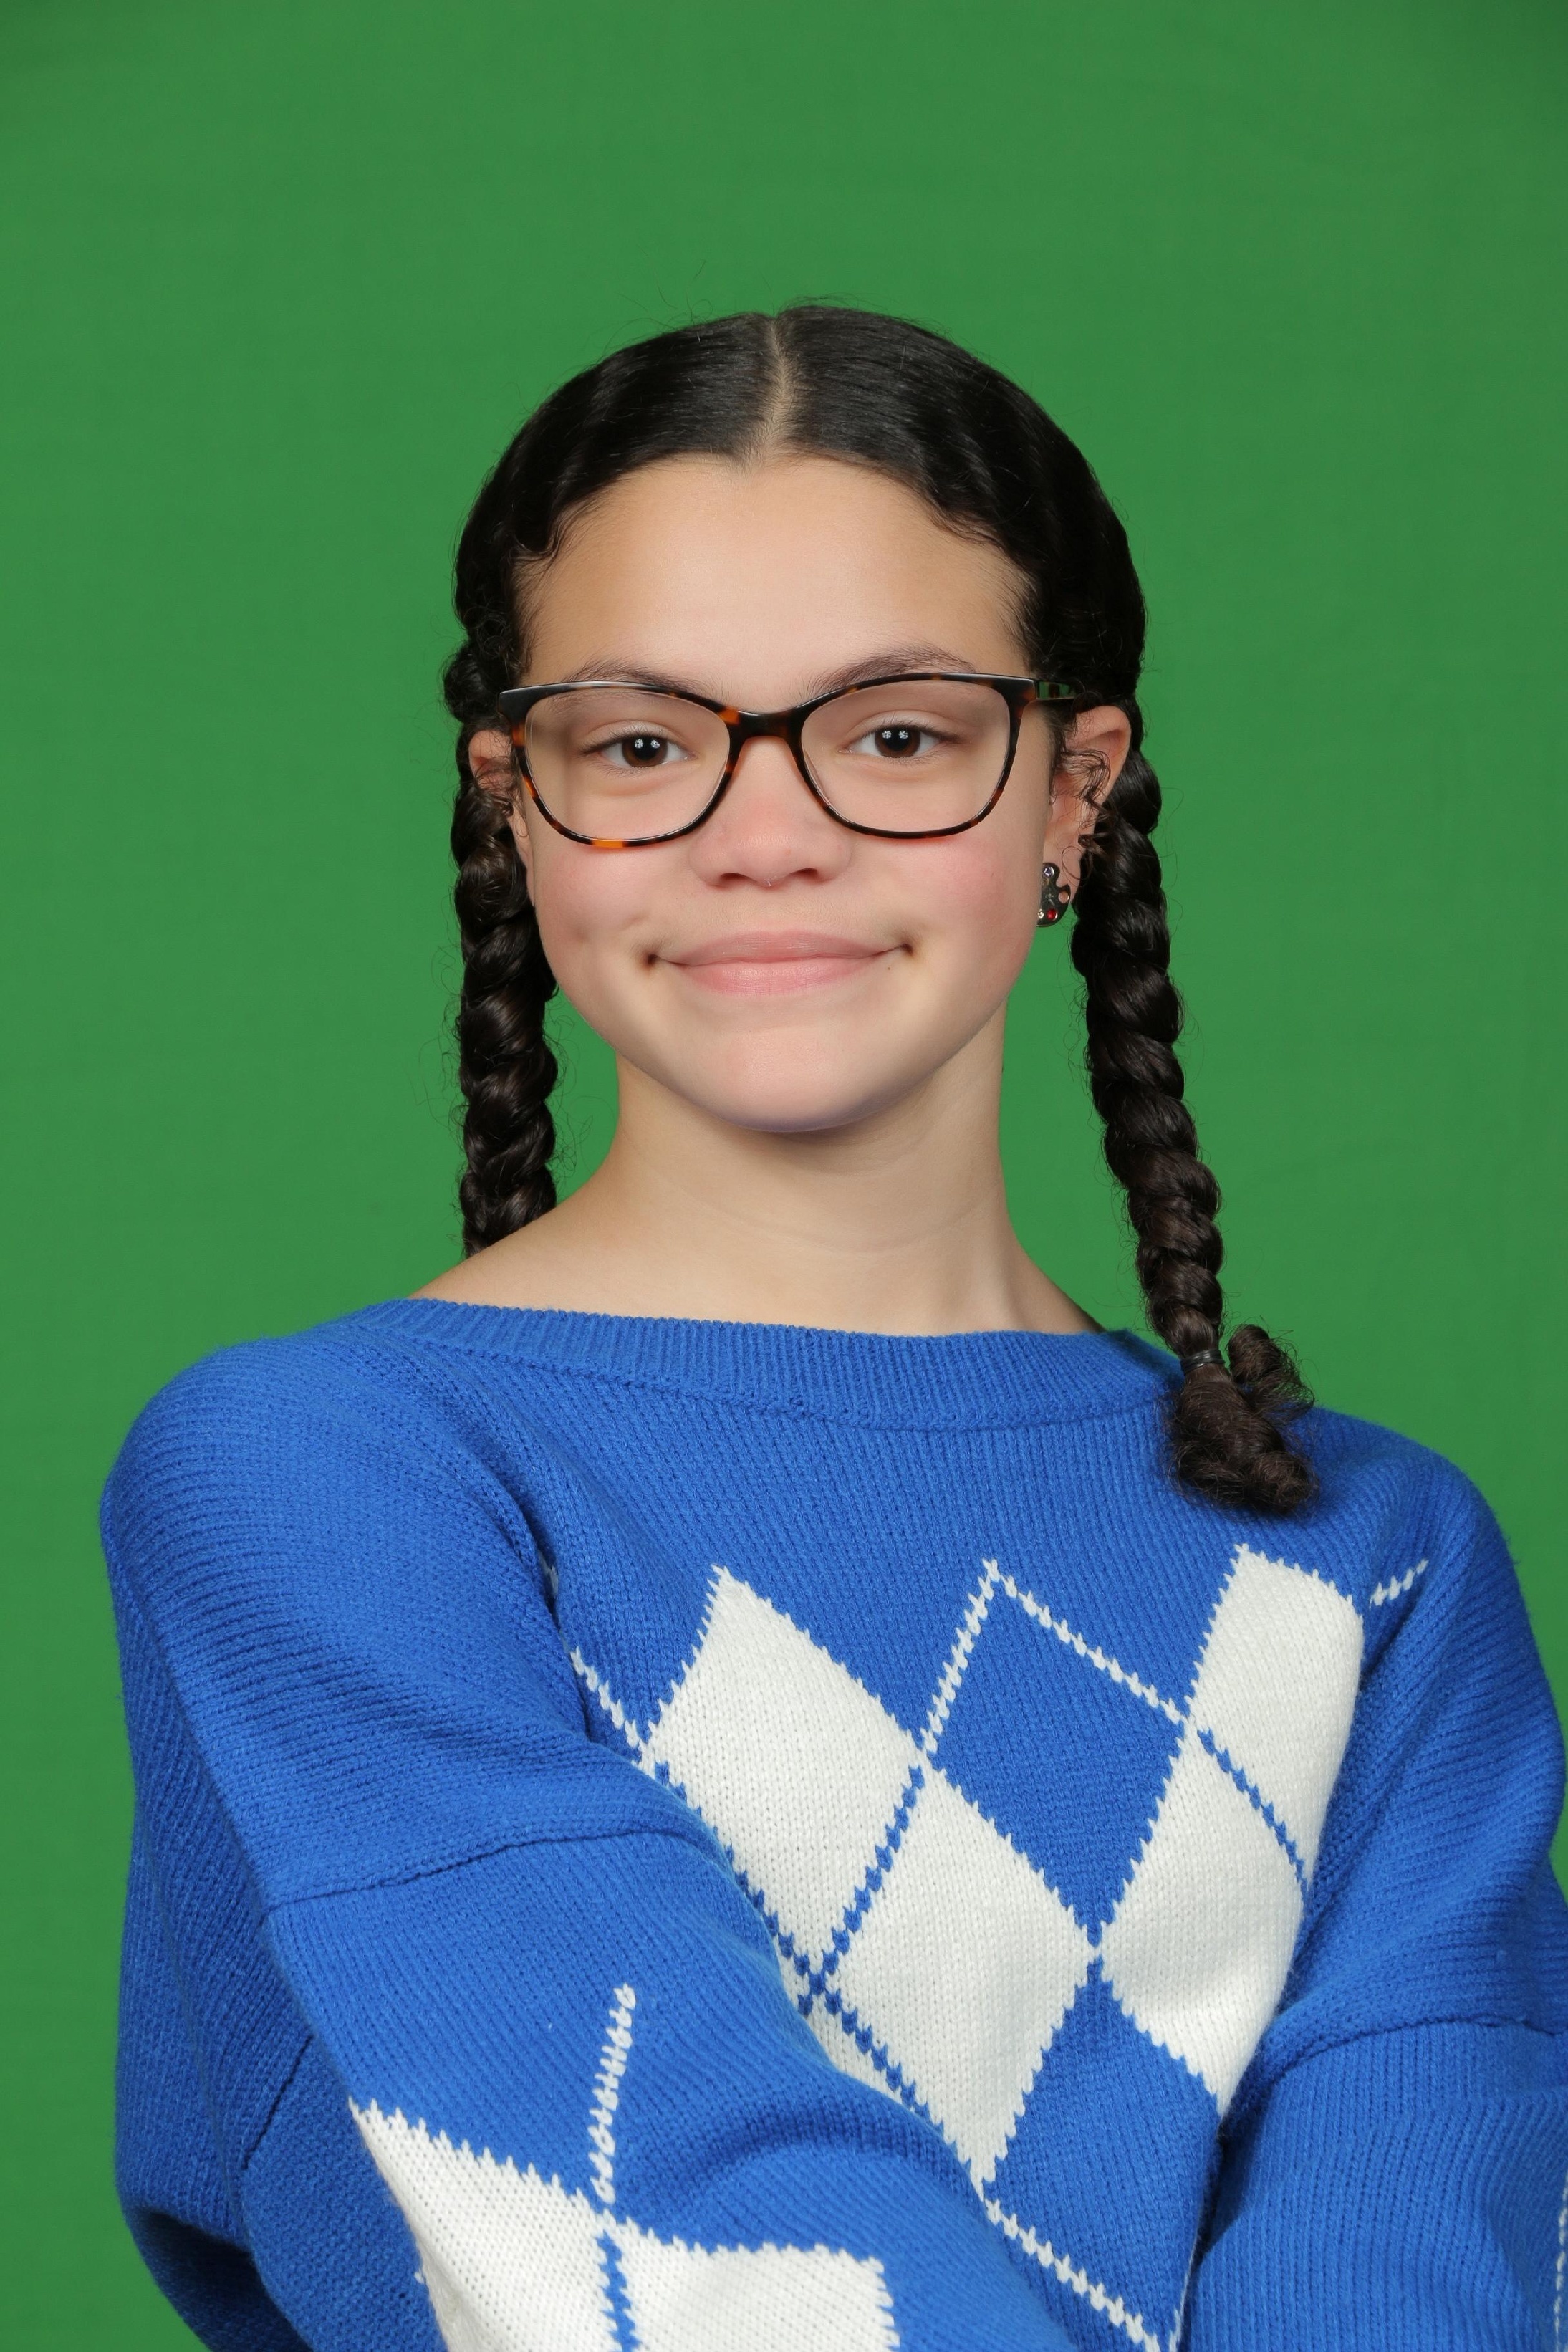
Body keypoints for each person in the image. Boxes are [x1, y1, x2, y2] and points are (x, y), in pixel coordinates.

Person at [105, 307, 1567, 2352]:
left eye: (895, 735)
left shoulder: (1374, 1557)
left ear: (1075, 790)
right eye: (641, 742)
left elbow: (1420, 2265)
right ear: (515, 803)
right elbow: (684, 2232)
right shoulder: (315, 1478)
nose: (763, 829)